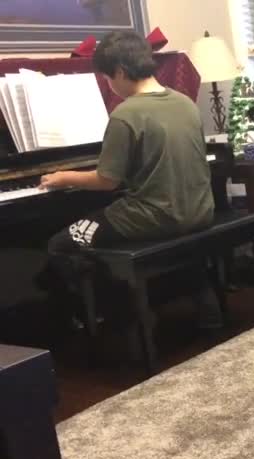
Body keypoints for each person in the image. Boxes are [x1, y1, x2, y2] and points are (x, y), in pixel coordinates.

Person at [40, 31, 222, 328]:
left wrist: (63, 177)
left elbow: (107, 181)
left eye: (109, 79)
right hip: (198, 212)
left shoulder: (125, 114)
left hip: (154, 219)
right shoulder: (185, 103)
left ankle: (108, 312)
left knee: (60, 243)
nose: (110, 86)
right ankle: (205, 308)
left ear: (121, 72)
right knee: (170, 237)